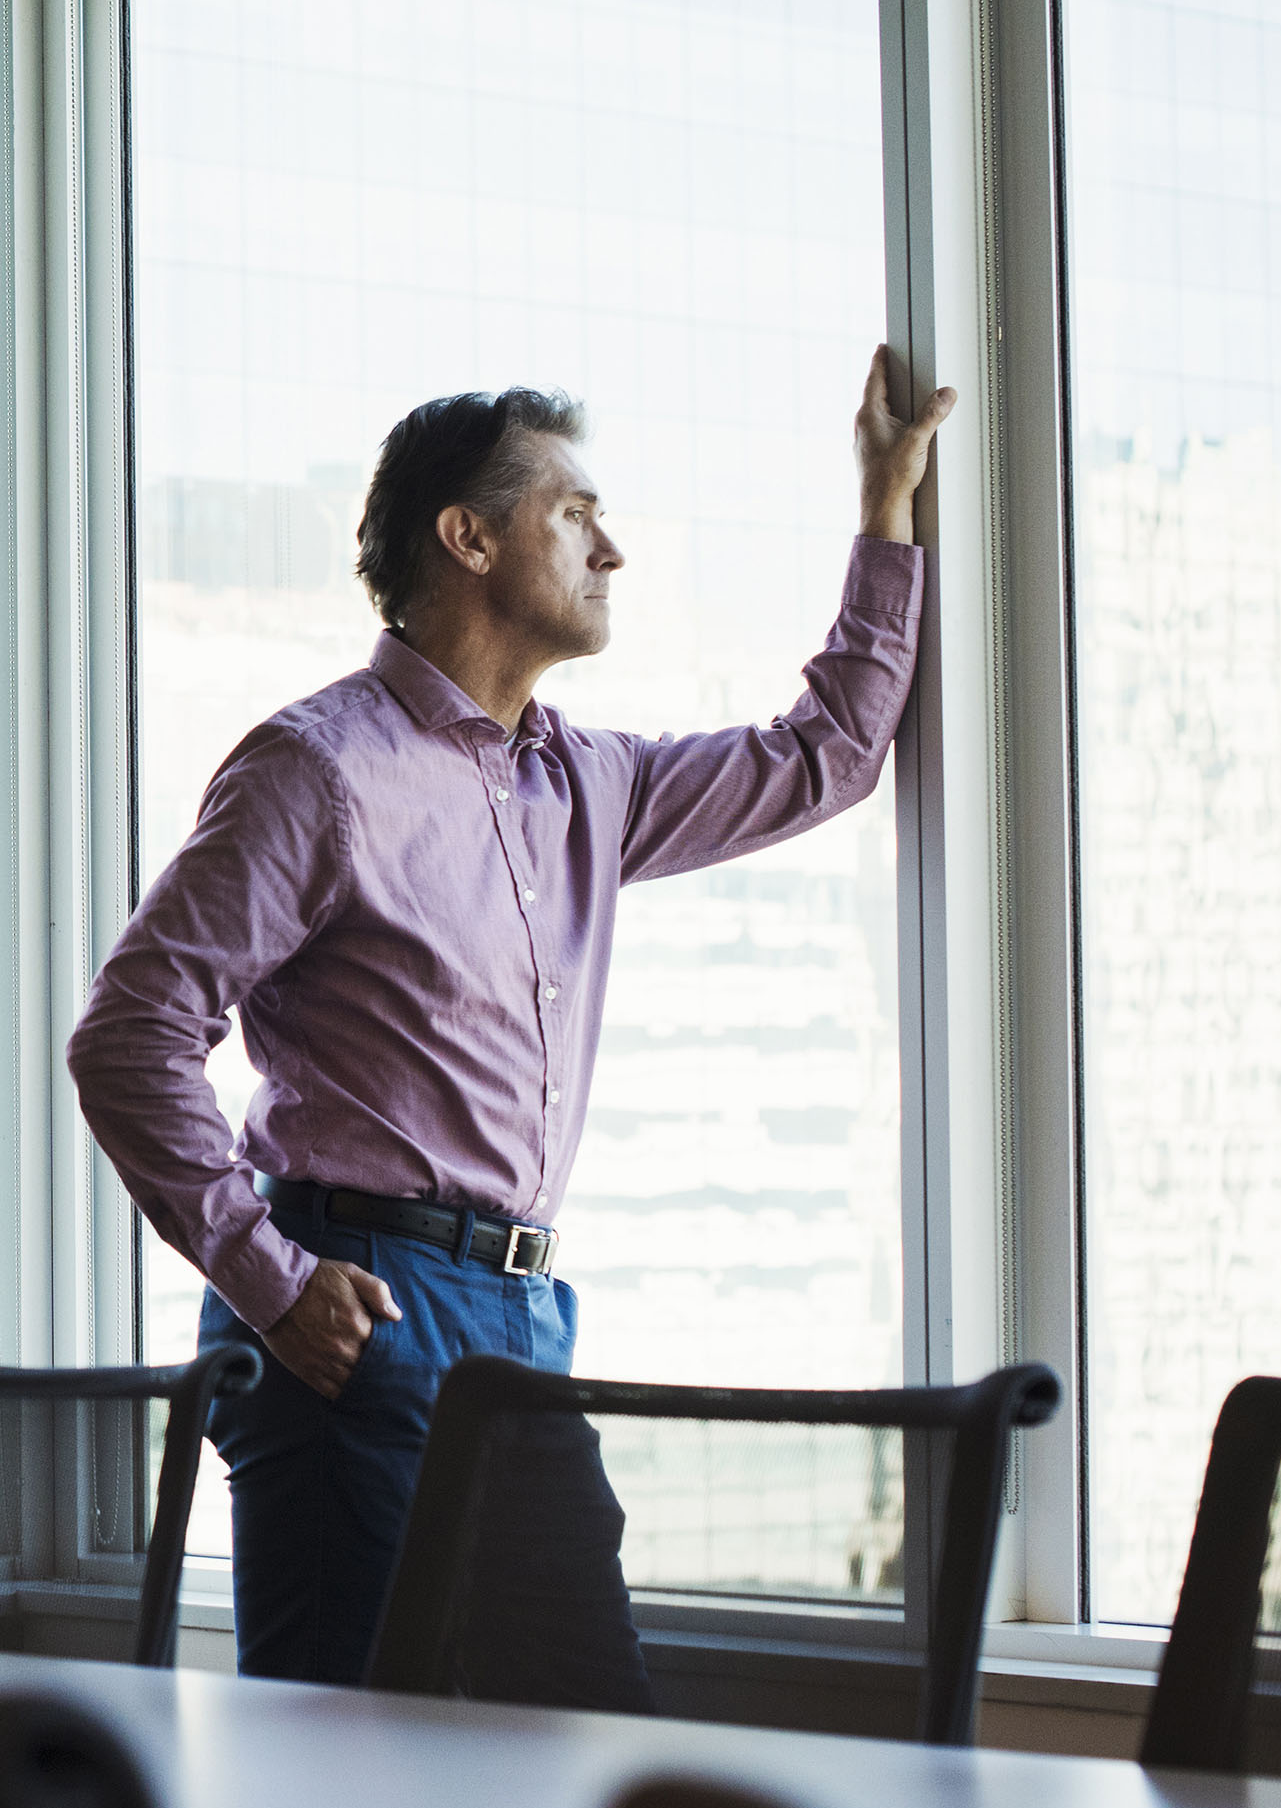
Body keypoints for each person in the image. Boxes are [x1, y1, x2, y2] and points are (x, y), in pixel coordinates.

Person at [68, 349, 951, 1696]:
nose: (614, 551)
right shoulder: (320, 771)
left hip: (521, 1328)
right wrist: (270, 1283)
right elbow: (130, 1033)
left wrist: (885, 505)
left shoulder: (588, 785)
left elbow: (826, 756)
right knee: (348, 1785)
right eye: (575, 514)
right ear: (468, 537)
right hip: (348, 1303)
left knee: (585, 1752)